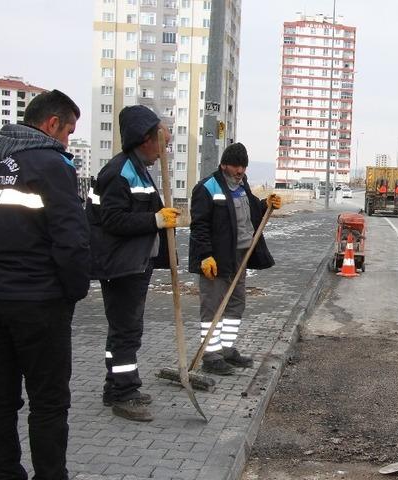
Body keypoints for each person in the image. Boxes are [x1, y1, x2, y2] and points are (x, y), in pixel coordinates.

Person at [0, 89, 89, 479]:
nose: (67, 141)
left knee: (0, 400)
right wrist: (74, 291)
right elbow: (71, 239)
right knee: (48, 402)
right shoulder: (52, 164)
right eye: (68, 132)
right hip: (39, 302)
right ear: (52, 124)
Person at [86, 105, 178, 422]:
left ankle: (115, 386)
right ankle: (125, 394)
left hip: (135, 263)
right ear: (145, 139)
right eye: (161, 143)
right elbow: (112, 220)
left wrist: (161, 218)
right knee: (126, 331)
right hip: (121, 265)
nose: (163, 151)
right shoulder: (119, 172)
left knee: (124, 330)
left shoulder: (138, 169)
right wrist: (155, 219)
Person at [188, 143, 280, 375]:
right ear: (224, 165)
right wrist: (205, 256)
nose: (240, 171)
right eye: (236, 166)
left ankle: (226, 349)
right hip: (216, 259)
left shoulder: (242, 185)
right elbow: (199, 226)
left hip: (240, 255)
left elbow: (252, 211)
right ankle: (211, 356)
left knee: (236, 303)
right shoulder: (207, 188)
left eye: (243, 166)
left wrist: (266, 204)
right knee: (212, 307)